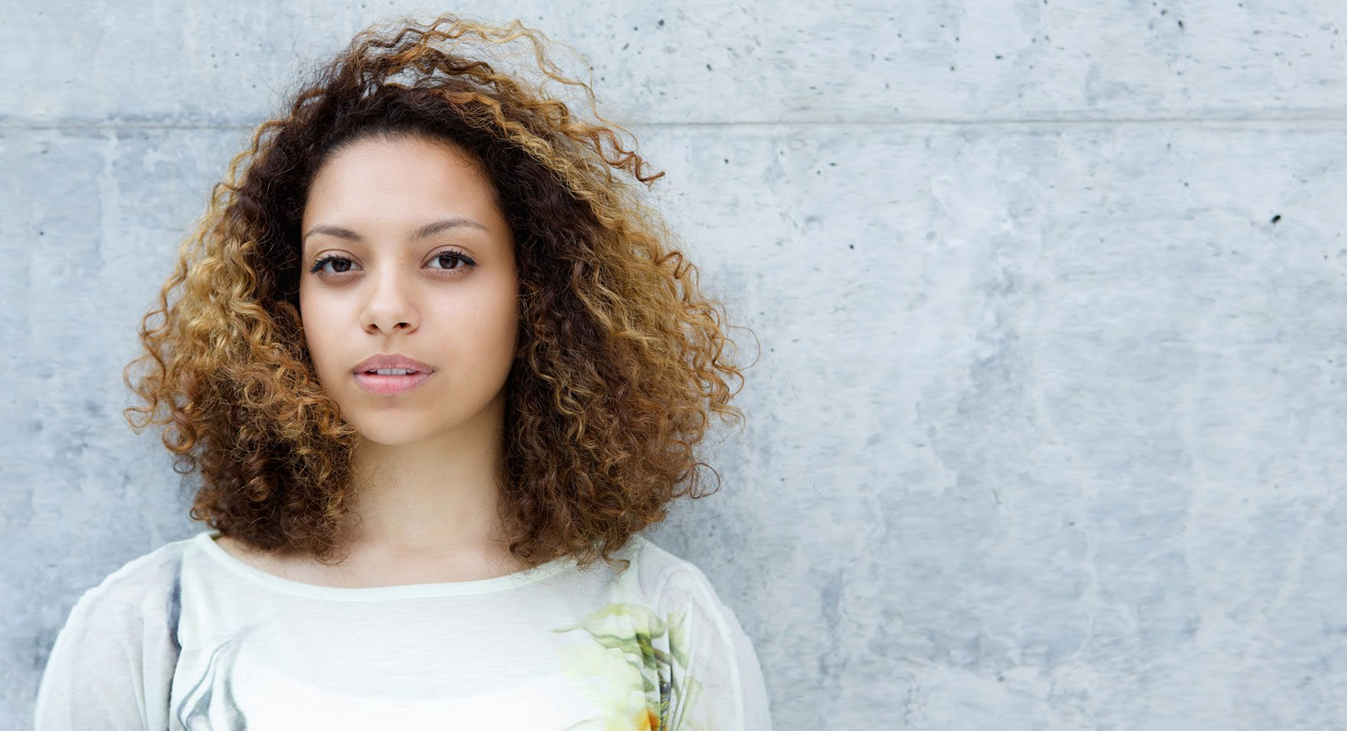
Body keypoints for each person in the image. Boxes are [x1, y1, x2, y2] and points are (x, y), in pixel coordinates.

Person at [33, 13, 771, 731]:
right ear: (284, 302)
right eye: (338, 264)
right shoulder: (156, 624)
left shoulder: (665, 622)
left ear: (540, 291)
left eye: (448, 259)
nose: (387, 309)